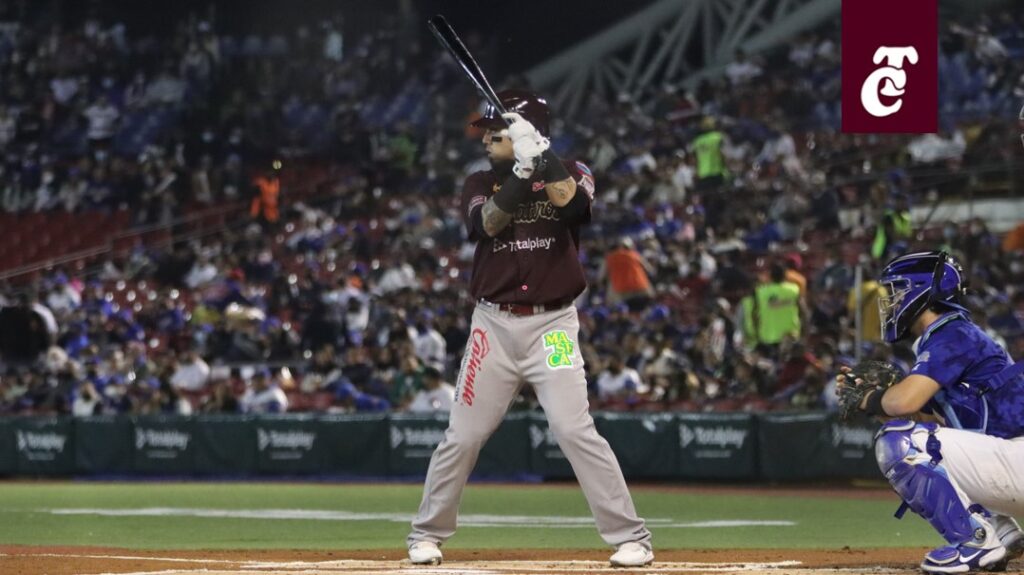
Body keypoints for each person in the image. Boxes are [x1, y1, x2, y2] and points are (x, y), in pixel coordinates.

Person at [406, 90, 653, 567]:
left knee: (573, 428)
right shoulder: (480, 180)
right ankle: (427, 534)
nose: (486, 141)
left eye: (497, 134)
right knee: (463, 435)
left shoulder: (575, 169)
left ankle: (632, 537)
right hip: (493, 327)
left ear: (530, 134)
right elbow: (488, 224)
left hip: (554, 328)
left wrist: (541, 158)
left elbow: (575, 208)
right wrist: (521, 172)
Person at [838, 251, 1024, 574]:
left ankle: (975, 541)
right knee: (921, 444)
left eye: (898, 291)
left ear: (921, 292)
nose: (892, 301)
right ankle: (1002, 532)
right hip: (1011, 460)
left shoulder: (952, 334)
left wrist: (870, 397)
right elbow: (917, 417)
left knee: (900, 444)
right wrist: (876, 401)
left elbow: (902, 405)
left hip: (1017, 459)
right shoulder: (952, 336)